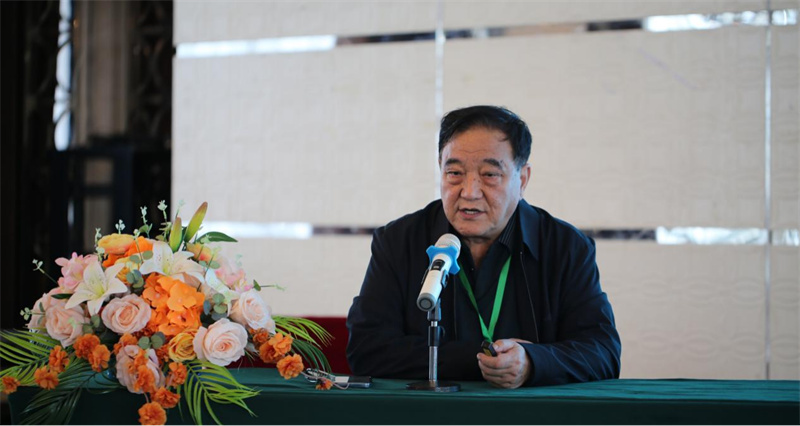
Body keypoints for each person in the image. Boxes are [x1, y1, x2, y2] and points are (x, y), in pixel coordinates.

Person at [346, 105, 621, 388]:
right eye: (454, 173)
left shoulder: (565, 247)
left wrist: (531, 362)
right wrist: (482, 358)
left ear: (522, 179)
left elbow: (603, 353)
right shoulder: (399, 241)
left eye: (490, 174)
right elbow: (366, 350)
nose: (469, 192)